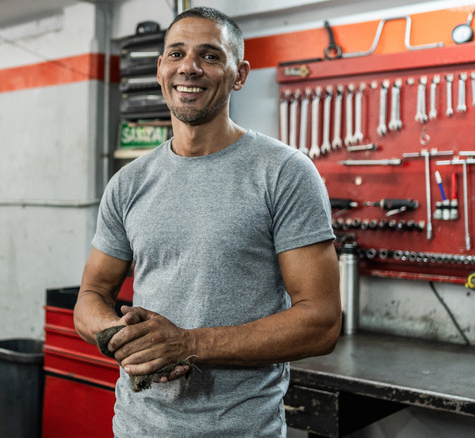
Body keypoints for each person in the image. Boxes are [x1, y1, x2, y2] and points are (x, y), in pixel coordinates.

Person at [74, 6, 341, 437]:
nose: (190, 68)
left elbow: (322, 322)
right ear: (161, 68)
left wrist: (187, 344)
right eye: (176, 54)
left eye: (211, 56)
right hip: (136, 427)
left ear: (240, 74)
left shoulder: (284, 172)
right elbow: (91, 295)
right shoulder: (128, 183)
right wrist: (119, 336)